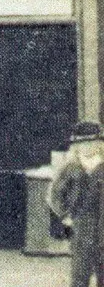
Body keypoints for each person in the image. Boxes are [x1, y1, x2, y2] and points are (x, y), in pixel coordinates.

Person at [53, 121, 104, 287]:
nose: (88, 147)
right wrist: (65, 215)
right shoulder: (71, 168)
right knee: (80, 273)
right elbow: (56, 194)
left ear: (100, 144)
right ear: (76, 146)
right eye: (83, 143)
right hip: (81, 225)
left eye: (92, 142)